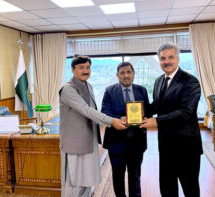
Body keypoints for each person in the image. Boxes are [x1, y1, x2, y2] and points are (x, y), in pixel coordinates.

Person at [140, 43, 203, 197]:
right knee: (167, 185)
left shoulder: (190, 81)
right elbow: (156, 105)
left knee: (190, 187)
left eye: (170, 57)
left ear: (178, 59)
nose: (166, 61)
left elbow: (186, 113)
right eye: (162, 58)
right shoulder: (159, 80)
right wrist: (136, 113)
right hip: (166, 143)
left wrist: (157, 121)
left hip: (186, 145)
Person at [59, 56, 126, 197]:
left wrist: (116, 119)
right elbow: (87, 110)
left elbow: (93, 112)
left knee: (87, 181)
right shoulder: (67, 89)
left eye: (88, 67)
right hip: (74, 144)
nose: (85, 70)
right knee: (73, 184)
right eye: (81, 67)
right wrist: (112, 121)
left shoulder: (88, 85)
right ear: (73, 69)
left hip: (89, 141)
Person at [101, 62, 150, 197]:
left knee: (135, 176)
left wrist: (145, 117)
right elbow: (105, 112)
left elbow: (148, 111)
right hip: (116, 142)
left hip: (137, 141)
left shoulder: (142, 90)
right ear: (117, 75)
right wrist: (119, 119)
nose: (126, 75)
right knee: (118, 176)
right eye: (122, 73)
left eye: (129, 72)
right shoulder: (109, 91)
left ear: (133, 74)